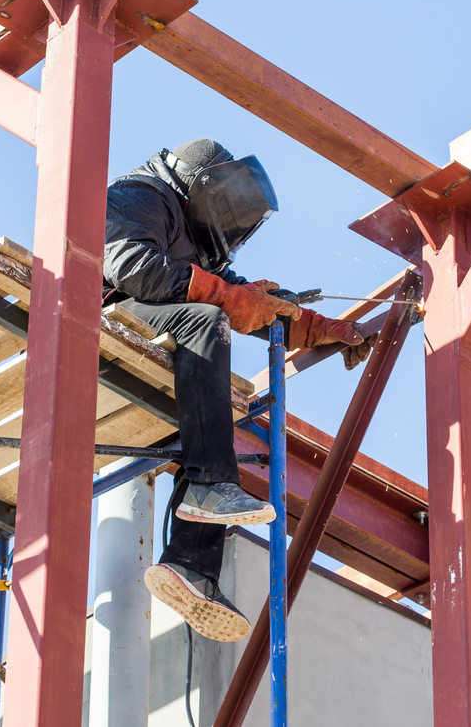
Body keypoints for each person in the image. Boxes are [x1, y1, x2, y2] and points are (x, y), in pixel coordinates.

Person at [102, 139, 370, 642]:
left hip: (152, 329)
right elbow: (132, 267)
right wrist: (223, 296)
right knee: (206, 322)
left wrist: (324, 329)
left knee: (209, 429)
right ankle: (208, 487)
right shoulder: (141, 193)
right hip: (100, 317)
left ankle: (190, 564)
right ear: (202, 188)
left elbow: (252, 305)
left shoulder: (196, 244)